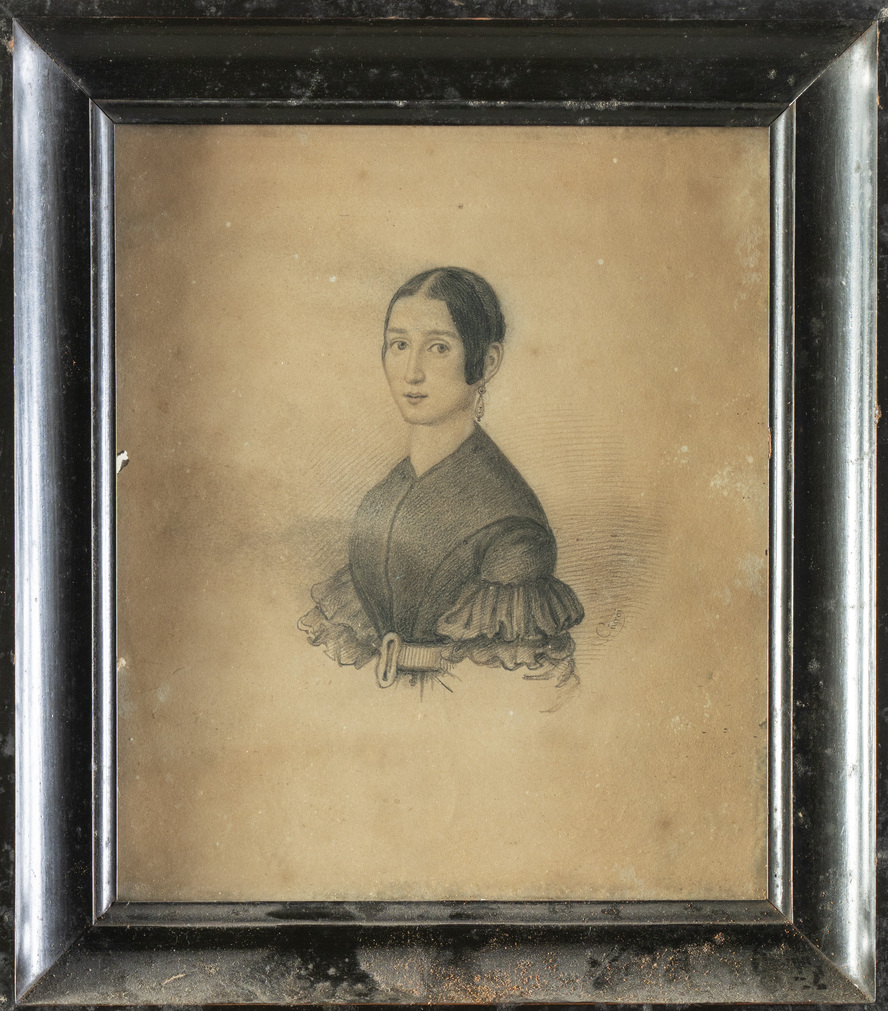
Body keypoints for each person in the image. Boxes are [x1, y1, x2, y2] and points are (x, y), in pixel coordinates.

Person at [298, 267, 584, 698]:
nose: (412, 372)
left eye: (438, 348)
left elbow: (524, 695)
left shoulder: (513, 528)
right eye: (399, 345)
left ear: (486, 362)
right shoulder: (381, 500)